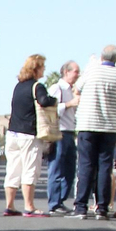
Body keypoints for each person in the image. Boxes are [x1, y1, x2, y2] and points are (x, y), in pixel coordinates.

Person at [73, 45, 116, 219]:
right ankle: (102, 207)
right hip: (109, 126)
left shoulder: (92, 70)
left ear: (102, 57)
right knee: (105, 167)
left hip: (88, 123)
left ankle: (81, 206)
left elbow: (77, 88)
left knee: (86, 165)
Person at [4, 54, 56, 216]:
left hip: (13, 133)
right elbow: (44, 101)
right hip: (29, 134)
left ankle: (10, 205)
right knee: (30, 170)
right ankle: (29, 206)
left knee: (13, 170)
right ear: (36, 69)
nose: (44, 70)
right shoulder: (37, 86)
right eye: (42, 67)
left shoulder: (18, 86)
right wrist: (54, 100)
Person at [46, 61, 81, 212]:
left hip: (70, 132)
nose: (78, 75)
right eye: (76, 72)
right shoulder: (57, 88)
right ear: (66, 72)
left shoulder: (72, 90)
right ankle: (54, 202)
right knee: (56, 168)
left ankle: (61, 199)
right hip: (59, 131)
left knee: (69, 169)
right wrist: (68, 104)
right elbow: (50, 109)